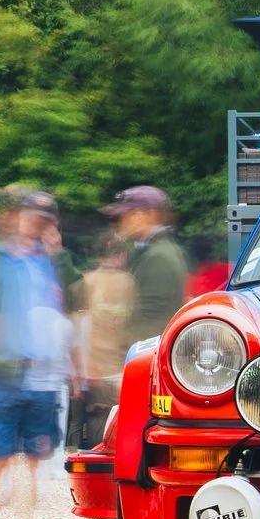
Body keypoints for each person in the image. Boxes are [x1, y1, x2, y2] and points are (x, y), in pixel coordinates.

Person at [0, 192, 74, 505]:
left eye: (44, 220)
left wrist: (59, 256)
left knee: (37, 447)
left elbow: (76, 300)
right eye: (31, 217)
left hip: (42, 370)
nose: (36, 225)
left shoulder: (52, 260)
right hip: (3, 365)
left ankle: (26, 511)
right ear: (18, 217)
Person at [73, 242, 137, 451]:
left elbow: (77, 327)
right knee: (121, 422)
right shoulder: (131, 283)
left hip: (93, 367)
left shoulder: (87, 281)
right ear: (122, 255)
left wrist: (83, 366)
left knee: (93, 423)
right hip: (123, 367)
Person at [108, 186, 187, 353]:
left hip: (146, 355)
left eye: (129, 214)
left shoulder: (159, 256)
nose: (122, 220)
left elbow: (151, 317)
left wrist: (118, 347)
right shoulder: (151, 250)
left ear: (150, 215)